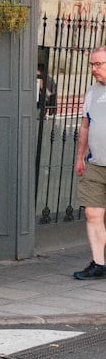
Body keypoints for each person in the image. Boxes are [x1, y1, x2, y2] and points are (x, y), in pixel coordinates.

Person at [73, 46, 106, 280]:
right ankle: (99, 264)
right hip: (96, 164)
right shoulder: (92, 92)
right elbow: (85, 125)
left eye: (99, 64)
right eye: (93, 64)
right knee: (92, 213)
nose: (95, 69)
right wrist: (79, 157)